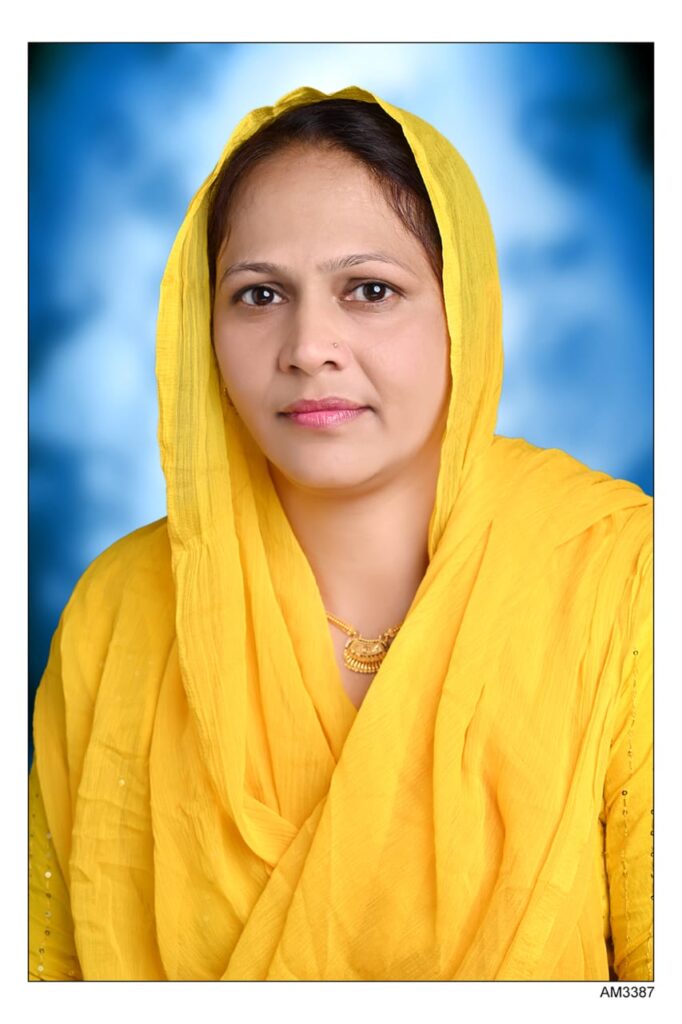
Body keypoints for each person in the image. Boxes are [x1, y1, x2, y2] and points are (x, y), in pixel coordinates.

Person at [29, 84, 652, 982]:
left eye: (370, 290)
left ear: (465, 311)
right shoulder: (119, 609)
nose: (308, 346)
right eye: (258, 295)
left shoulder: (621, 577)